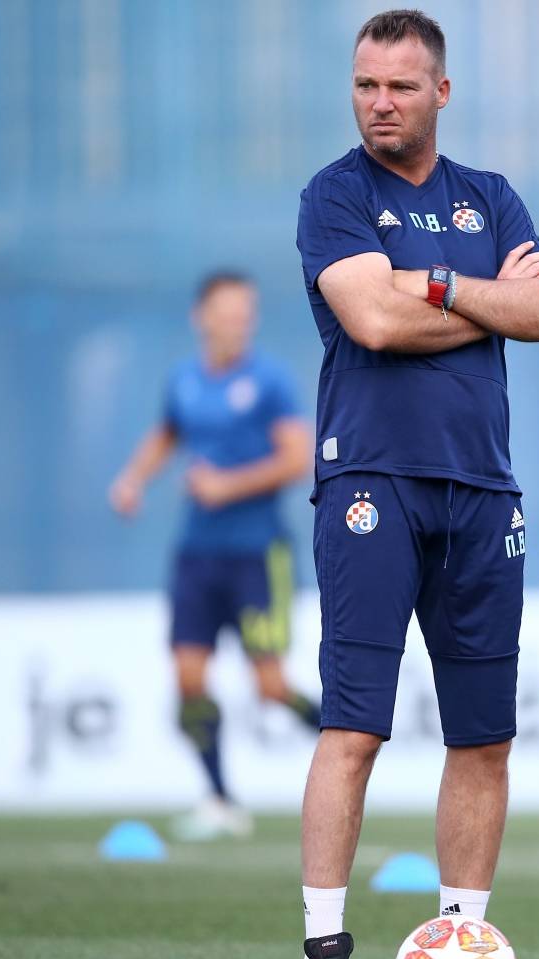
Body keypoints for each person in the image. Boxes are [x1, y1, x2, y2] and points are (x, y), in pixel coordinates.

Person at [290, 9, 539, 959]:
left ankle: (463, 953)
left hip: (484, 490)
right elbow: (370, 317)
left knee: (482, 737)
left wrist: (441, 283)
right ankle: (322, 957)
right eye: (365, 84)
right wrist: (485, 297)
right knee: (355, 726)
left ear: (440, 92)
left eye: (400, 86)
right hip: (369, 481)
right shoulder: (334, 194)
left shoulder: (488, 196)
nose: (379, 103)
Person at [109, 270, 317, 841]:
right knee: (188, 677)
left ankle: (348, 751)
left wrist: (227, 486)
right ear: (201, 316)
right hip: (197, 554)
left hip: (257, 555)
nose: (237, 322)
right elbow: (167, 434)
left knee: (270, 688)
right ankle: (220, 797)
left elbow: (297, 458)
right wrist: (133, 480)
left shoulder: (270, 381)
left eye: (246, 312)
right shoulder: (184, 380)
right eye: (227, 311)